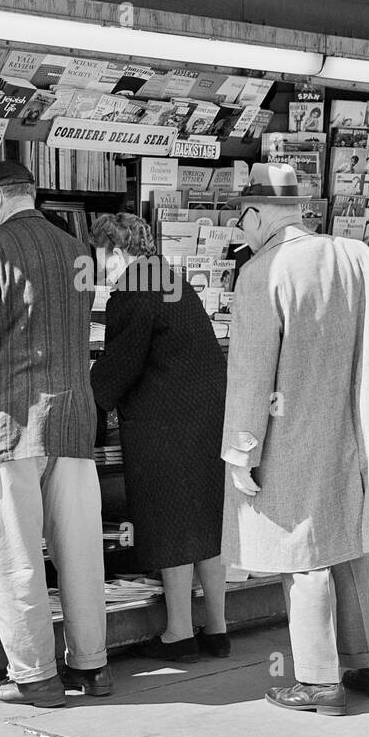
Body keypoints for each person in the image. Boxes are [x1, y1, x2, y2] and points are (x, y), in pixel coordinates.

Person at [223, 163, 369, 715]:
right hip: (356, 426)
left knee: (302, 551)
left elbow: (253, 370)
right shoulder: (358, 256)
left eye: (242, 220)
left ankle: (316, 682)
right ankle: (368, 665)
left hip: (290, 431)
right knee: (346, 545)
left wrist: (242, 448)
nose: (242, 231)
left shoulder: (263, 271)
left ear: (258, 214)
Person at [0, 160, 108, 708]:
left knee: (11, 552)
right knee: (80, 551)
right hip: (74, 418)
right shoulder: (77, 251)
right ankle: (91, 665)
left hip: (8, 421)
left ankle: (34, 676)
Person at [89, 213, 228, 661]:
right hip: (207, 418)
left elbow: (119, 367)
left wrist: (90, 395)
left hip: (163, 424)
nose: (98, 267)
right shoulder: (171, 278)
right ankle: (218, 630)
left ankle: (179, 633)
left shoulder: (131, 291)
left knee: (169, 524)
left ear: (114, 250)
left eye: (100, 255)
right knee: (207, 524)